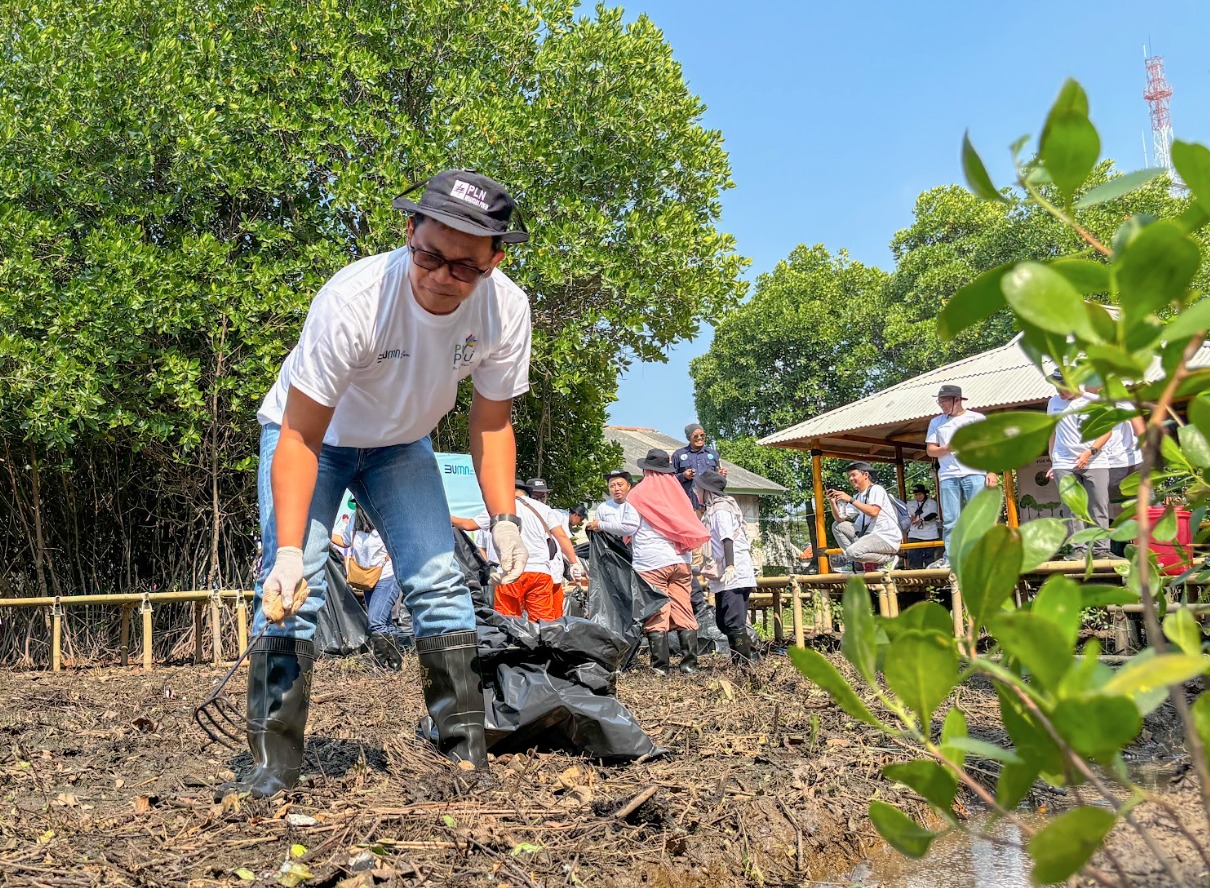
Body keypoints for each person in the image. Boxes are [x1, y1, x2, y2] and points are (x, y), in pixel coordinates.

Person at [235, 170, 533, 798]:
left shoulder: (504, 308)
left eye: (464, 267)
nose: (442, 276)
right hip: (319, 441)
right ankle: (274, 765)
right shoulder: (355, 300)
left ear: (494, 261)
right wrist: (289, 552)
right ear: (409, 234)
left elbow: (492, 423)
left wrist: (504, 518)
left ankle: (464, 759)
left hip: (402, 445)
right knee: (300, 587)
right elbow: (299, 438)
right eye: (430, 255)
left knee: (440, 583)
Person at [598, 450, 710, 674]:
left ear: (645, 470)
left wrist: (600, 525)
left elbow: (628, 528)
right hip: (680, 561)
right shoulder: (678, 492)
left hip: (651, 562)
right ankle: (689, 665)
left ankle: (661, 667)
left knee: (656, 611)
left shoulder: (638, 494)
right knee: (683, 608)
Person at [453, 479, 583, 621]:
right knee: (544, 623)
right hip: (540, 573)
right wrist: (574, 563)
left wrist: (441, 515)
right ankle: (544, 643)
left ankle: (514, 643)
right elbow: (561, 536)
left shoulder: (499, 509)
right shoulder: (544, 509)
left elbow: (467, 525)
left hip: (511, 573)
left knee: (509, 620)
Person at [925, 385, 999, 568]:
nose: (941, 404)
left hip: (975, 472)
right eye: (939, 401)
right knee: (951, 519)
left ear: (957, 400)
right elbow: (930, 450)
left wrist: (991, 470)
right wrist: (946, 449)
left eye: (944, 400)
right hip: (948, 475)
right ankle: (951, 558)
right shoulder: (936, 422)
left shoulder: (976, 418)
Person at [1047, 371, 1113, 560]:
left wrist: (1089, 452)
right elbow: (1052, 430)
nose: (1059, 391)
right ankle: (1079, 550)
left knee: (1098, 505)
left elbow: (1107, 432)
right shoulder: (1053, 403)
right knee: (1071, 507)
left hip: (1094, 460)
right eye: (1056, 387)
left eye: (1062, 387)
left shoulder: (1095, 401)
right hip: (1063, 463)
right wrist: (1053, 457)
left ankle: (1101, 550)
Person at [694, 470, 757, 665]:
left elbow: (727, 538)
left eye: (698, 487)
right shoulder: (712, 510)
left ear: (707, 490)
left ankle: (746, 664)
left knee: (733, 621)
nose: (695, 490)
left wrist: (730, 565)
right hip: (723, 575)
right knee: (723, 622)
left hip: (733, 574)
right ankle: (747, 659)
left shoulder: (721, 509)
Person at [342, 507, 408, 670]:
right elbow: (345, 542)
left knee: (375, 621)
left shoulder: (384, 517)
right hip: (367, 578)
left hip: (387, 576)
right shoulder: (354, 520)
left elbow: (401, 541)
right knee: (384, 622)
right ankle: (395, 665)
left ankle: (381, 665)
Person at [827, 462, 901, 570]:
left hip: (885, 537)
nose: (851, 479)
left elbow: (873, 512)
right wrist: (832, 502)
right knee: (837, 525)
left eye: (853, 475)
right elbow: (840, 518)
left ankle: (886, 559)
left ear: (865, 475)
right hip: (869, 537)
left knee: (853, 552)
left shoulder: (876, 489)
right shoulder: (858, 496)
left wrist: (850, 499)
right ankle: (854, 561)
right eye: (849, 476)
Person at [673, 423, 725, 510]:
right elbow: (670, 478)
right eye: (695, 436)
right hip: (687, 504)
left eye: (702, 435)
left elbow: (718, 480)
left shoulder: (713, 454)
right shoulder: (678, 455)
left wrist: (721, 475)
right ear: (689, 437)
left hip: (710, 504)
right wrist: (683, 476)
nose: (700, 438)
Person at [905, 484, 941, 569]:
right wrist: (910, 519)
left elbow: (933, 514)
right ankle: (914, 576)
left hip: (930, 534)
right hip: (914, 534)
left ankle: (931, 577)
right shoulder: (910, 504)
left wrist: (922, 519)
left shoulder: (931, 503)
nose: (918, 496)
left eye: (920, 494)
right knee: (913, 556)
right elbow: (906, 516)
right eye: (916, 494)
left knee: (930, 559)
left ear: (924, 494)